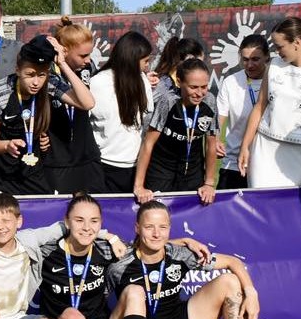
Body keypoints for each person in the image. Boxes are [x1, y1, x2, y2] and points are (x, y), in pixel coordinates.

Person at [107, 200, 282, 319]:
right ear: (137, 228)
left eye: (163, 227)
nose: (156, 233)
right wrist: (108, 236)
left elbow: (233, 262)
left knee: (229, 281)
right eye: (149, 227)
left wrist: (251, 293)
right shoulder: (119, 262)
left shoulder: (180, 254)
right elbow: (85, 233)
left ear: (169, 228)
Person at [32, 193, 171, 319]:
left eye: (94, 221)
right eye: (79, 220)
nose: (87, 227)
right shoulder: (45, 252)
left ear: (100, 224)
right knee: (72, 316)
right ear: (67, 221)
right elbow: (13, 244)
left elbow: (146, 247)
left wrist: (185, 242)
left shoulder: (106, 249)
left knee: (135, 290)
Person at [239, 17, 301, 194]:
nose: (277, 52)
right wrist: (245, 146)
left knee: (294, 207)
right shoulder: (273, 66)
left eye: (280, 47)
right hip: (264, 149)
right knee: (261, 203)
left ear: (297, 42)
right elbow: (260, 107)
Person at [0, 36, 95, 196]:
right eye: (30, 75)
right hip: (4, 173)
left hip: (34, 171)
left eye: (42, 75)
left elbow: (88, 103)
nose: (36, 82)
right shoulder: (0, 92)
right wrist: (6, 145)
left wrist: (62, 64)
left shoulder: (50, 83)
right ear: (17, 70)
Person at [134, 58, 219, 204]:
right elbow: (148, 143)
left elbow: (211, 144)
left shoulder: (209, 101)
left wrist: (209, 183)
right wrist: (139, 186)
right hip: (161, 171)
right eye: (193, 87)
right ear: (179, 82)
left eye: (204, 87)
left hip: (193, 173)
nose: (199, 93)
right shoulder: (168, 101)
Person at [88, 31, 154, 194]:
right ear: (131, 59)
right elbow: (86, 123)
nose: (147, 66)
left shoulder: (143, 81)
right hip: (103, 166)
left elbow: (146, 121)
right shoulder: (98, 82)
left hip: (134, 167)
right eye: (145, 61)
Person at [46, 17, 103, 194]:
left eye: (89, 54)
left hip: (87, 154)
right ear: (64, 51)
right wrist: (62, 64)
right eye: (83, 55)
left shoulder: (86, 68)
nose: (88, 60)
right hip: (58, 158)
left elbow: (88, 102)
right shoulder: (47, 73)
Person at [215, 34, 268, 190]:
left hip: (267, 164)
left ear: (267, 56)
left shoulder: (276, 81)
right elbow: (219, 118)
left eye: (255, 59)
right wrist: (216, 139)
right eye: (245, 59)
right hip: (234, 163)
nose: (250, 65)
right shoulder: (230, 82)